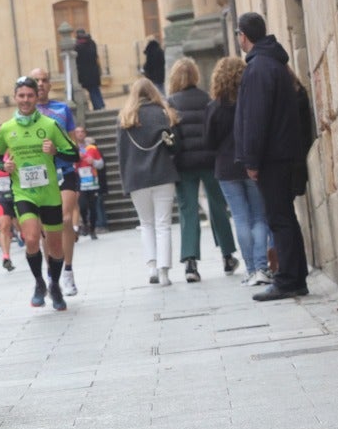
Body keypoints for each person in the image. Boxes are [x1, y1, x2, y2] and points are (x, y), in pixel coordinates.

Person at [234, 12, 311, 301]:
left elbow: (256, 119)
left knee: (279, 219)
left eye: (238, 35)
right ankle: (295, 277)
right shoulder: (271, 65)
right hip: (282, 153)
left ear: (244, 35)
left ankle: (288, 280)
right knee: (284, 218)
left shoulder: (259, 69)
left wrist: (252, 161)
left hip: (273, 158)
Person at [0, 76, 77, 311]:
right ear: (15, 98)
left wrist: (55, 150)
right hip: (24, 194)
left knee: (55, 248)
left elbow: (73, 154)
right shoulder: (7, 129)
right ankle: (39, 282)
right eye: (21, 95)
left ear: (36, 97)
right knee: (31, 238)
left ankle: (54, 284)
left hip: (50, 193)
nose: (25, 100)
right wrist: (5, 167)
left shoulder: (50, 125)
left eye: (30, 95)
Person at [165, 58, 238, 281]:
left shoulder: (171, 103)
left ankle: (190, 264)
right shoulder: (207, 99)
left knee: (188, 212)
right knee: (218, 207)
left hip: (184, 164)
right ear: (196, 75)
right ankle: (227, 256)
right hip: (209, 161)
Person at [206, 55, 272, 285]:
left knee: (241, 218)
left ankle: (252, 269)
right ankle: (263, 267)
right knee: (259, 217)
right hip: (252, 164)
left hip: (226, 168)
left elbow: (210, 142)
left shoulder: (214, 108)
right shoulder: (250, 102)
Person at [116, 78, 182, 285]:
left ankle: (152, 268)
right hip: (163, 173)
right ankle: (164, 272)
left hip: (136, 177)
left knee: (146, 224)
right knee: (163, 224)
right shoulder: (163, 113)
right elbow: (174, 146)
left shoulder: (125, 117)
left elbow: (121, 153)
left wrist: (125, 180)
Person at [28, 67, 83, 296]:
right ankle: (53, 275)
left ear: (50, 85)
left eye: (44, 80)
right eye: (36, 81)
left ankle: (68, 271)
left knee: (65, 218)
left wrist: (60, 152)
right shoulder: (24, 116)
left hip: (64, 170)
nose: (41, 84)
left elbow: (72, 145)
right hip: (39, 176)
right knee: (45, 229)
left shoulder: (62, 109)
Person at [74, 28, 105, 110]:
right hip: (94, 71)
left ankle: (98, 106)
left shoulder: (78, 46)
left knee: (92, 90)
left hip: (85, 74)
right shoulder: (92, 43)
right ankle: (101, 105)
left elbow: (77, 60)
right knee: (95, 89)